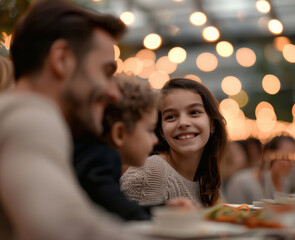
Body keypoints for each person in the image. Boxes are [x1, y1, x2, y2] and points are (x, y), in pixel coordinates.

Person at [0, 0, 134, 239]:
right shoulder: (30, 118)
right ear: (62, 59)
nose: (114, 93)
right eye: (106, 72)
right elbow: (62, 227)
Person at [121, 78, 228, 207]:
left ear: (212, 124)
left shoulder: (207, 181)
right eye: (171, 116)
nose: (183, 123)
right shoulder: (154, 170)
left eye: (194, 112)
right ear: (161, 131)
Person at [73, 75, 159, 220]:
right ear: (119, 133)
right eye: (150, 130)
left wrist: (164, 210)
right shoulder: (102, 157)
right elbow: (115, 208)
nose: (155, 139)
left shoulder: (90, 154)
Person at [226, 134, 295, 204]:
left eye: (294, 159)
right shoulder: (241, 182)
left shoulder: (286, 182)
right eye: (285, 157)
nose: (291, 164)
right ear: (268, 156)